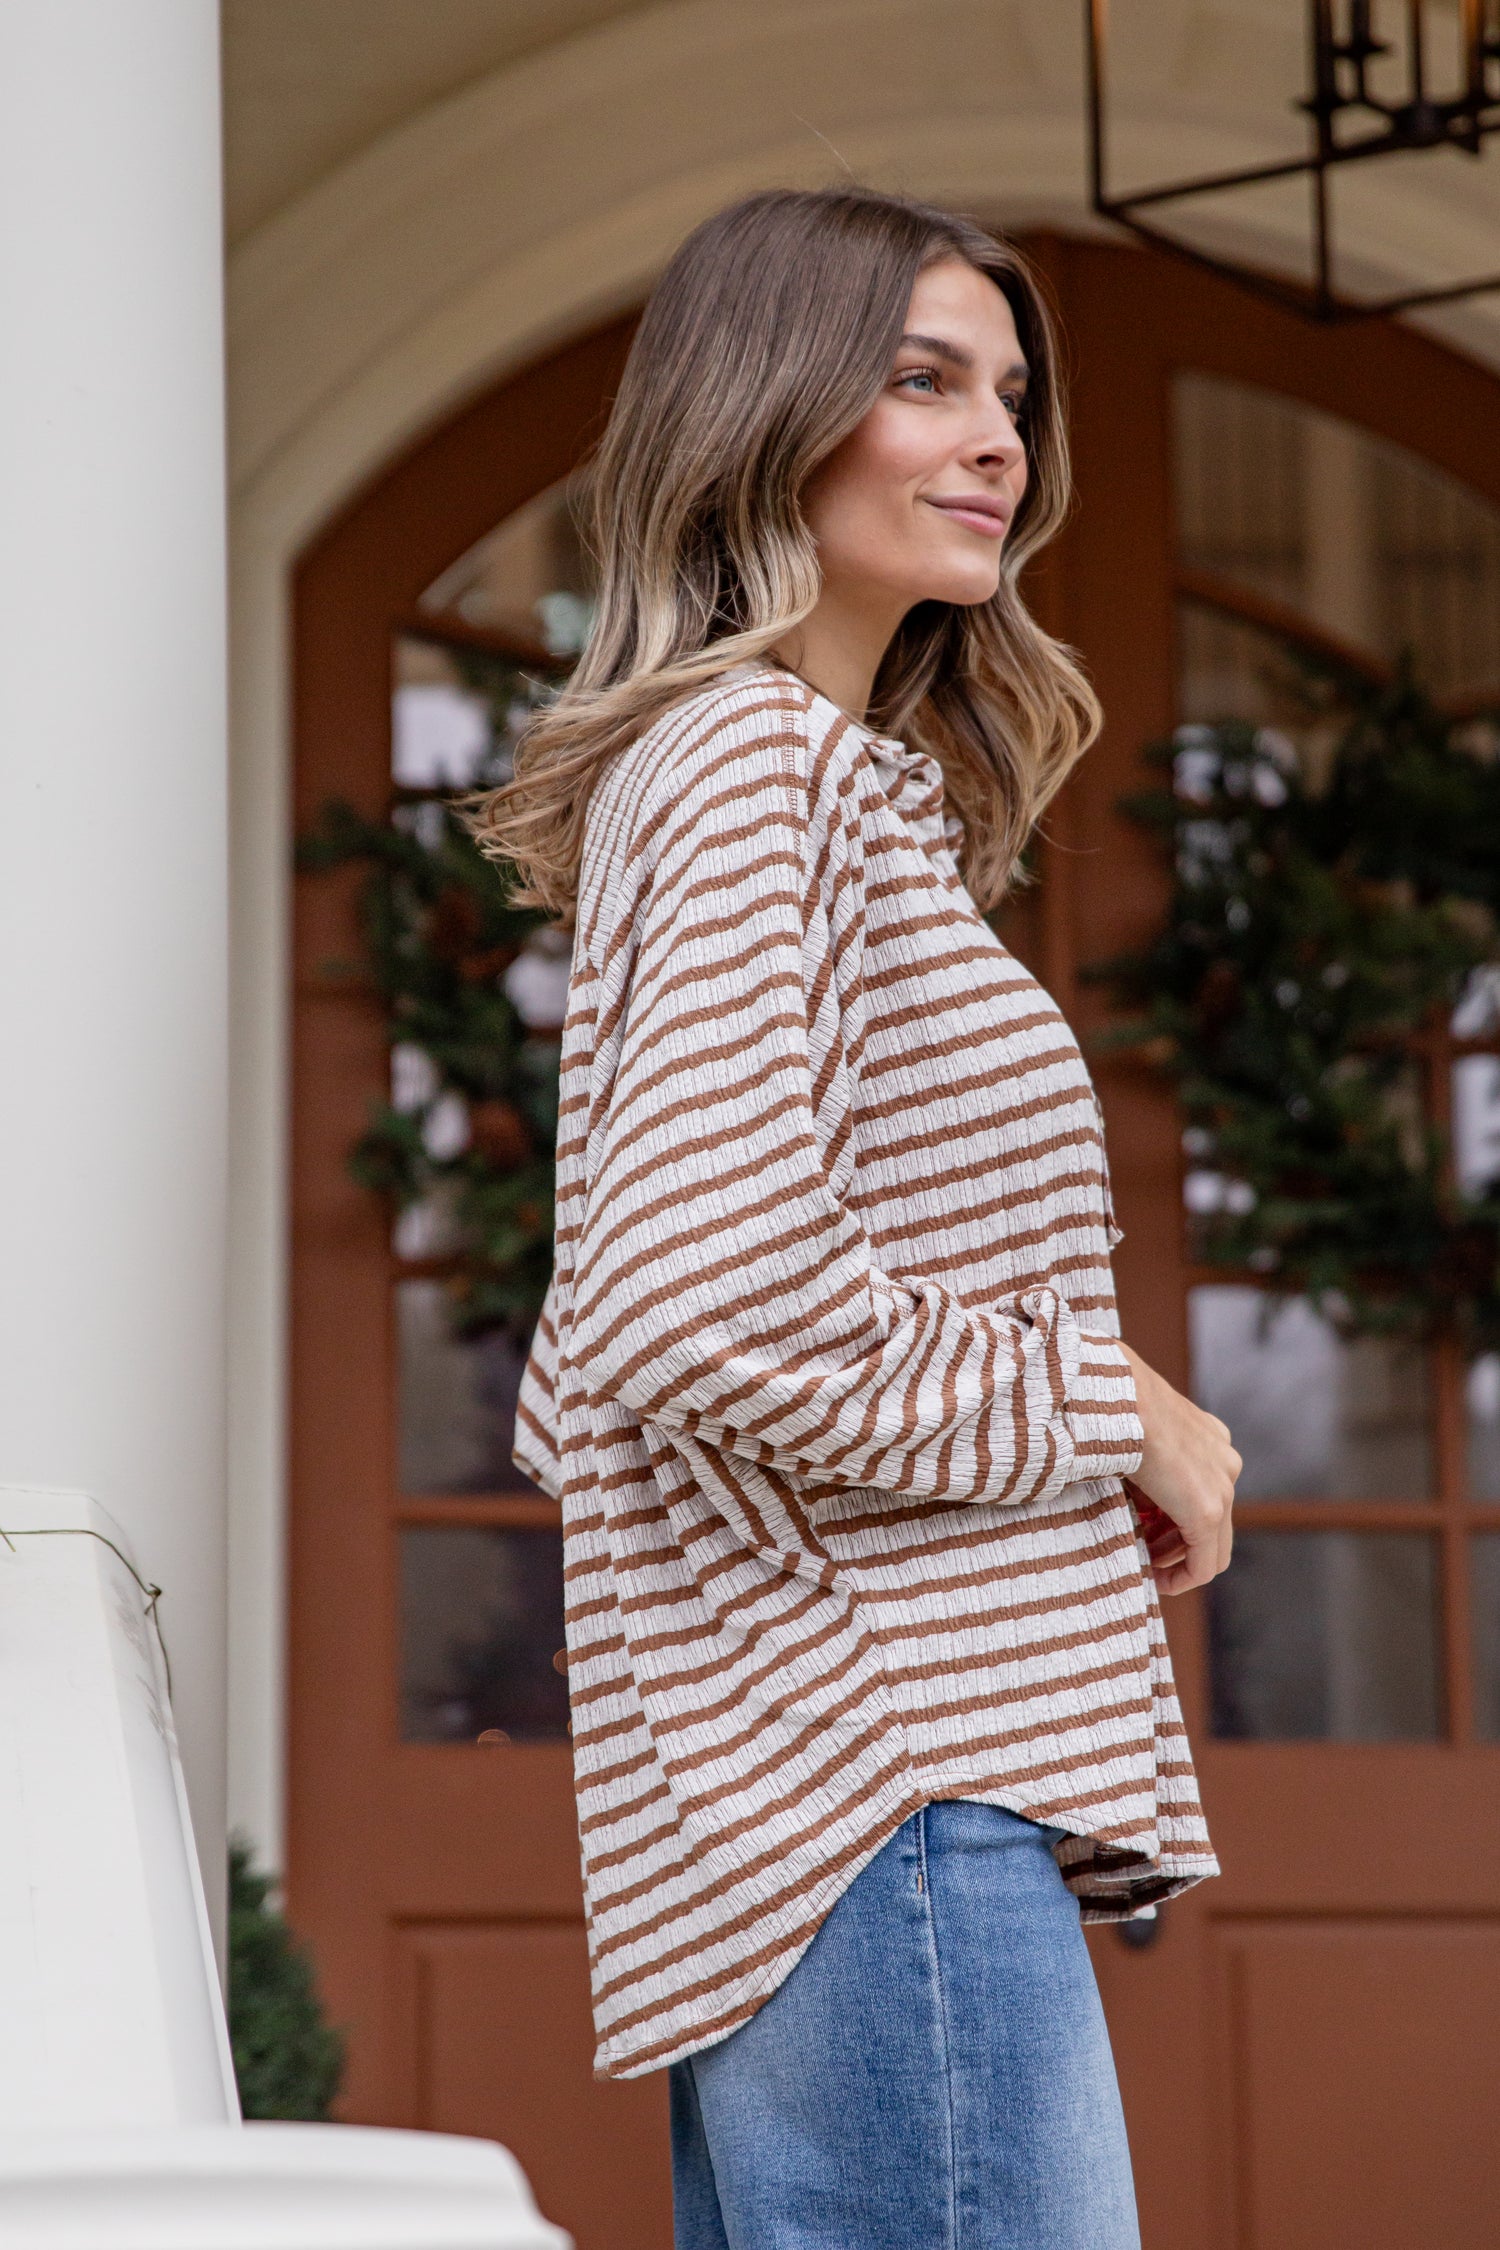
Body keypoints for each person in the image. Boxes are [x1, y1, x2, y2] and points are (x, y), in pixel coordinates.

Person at [474, 186, 1240, 2250]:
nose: (999, 438)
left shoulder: (792, 781)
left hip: (837, 1799)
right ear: (763, 411)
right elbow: (704, 1311)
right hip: (882, 1785)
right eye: (923, 381)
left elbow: (666, 1305)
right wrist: (1111, 1412)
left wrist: (1096, 1406)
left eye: (1010, 391)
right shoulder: (748, 771)